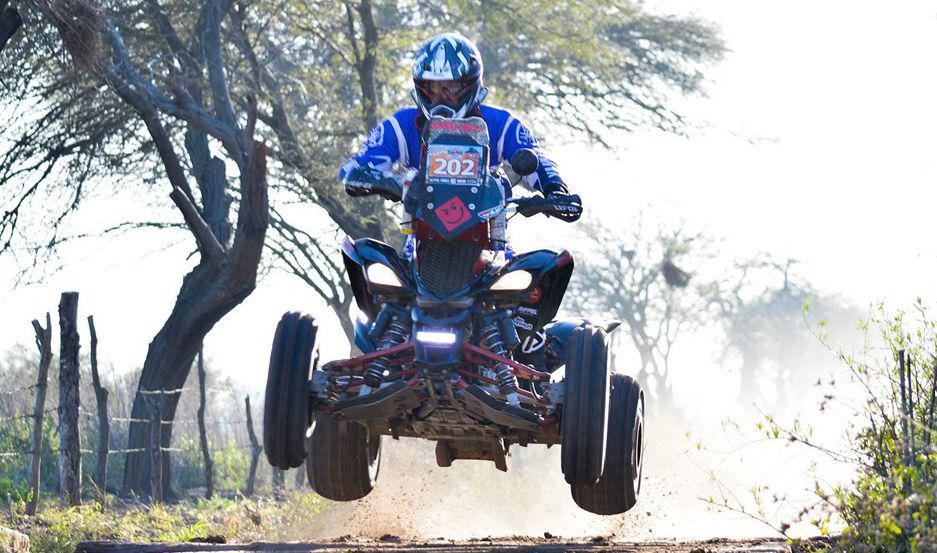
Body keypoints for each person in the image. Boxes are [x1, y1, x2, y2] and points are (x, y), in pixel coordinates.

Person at [338, 32, 582, 225]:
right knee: (365, 260)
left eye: (451, 88)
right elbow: (354, 166)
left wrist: (555, 190)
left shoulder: (501, 123)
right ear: (421, 88)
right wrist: (380, 179)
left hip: (491, 240)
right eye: (434, 88)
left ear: (470, 85)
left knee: (545, 269)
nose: (441, 97)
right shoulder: (400, 125)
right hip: (419, 240)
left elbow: (536, 157)